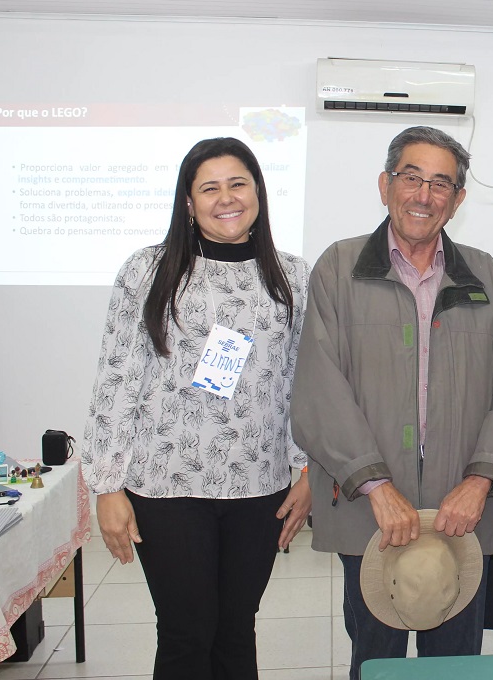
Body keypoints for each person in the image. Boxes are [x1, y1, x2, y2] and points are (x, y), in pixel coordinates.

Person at [291, 125, 493, 680]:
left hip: (462, 514)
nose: (424, 195)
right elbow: (319, 389)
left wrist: (480, 481)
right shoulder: (339, 269)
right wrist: (376, 487)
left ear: (458, 199)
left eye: (441, 183)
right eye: (411, 177)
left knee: (454, 666)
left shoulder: (486, 277)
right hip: (370, 512)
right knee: (376, 661)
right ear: (385, 185)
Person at [81, 137, 312, 680]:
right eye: (210, 188)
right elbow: (116, 378)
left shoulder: (294, 277)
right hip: (168, 488)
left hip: (259, 486)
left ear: (258, 192)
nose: (226, 198)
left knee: (236, 630)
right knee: (187, 632)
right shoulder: (148, 270)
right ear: (188, 201)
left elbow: (302, 382)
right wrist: (106, 487)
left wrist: (306, 472)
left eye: (238, 184)